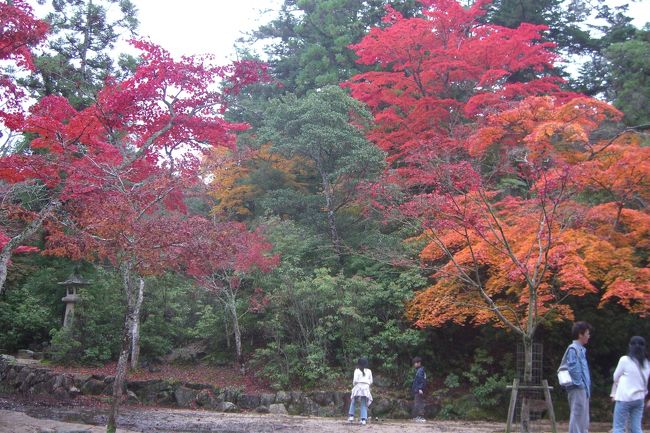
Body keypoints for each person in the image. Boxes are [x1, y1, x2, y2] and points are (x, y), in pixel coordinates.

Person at [610, 336, 650, 433]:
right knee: (636, 428)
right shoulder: (647, 363)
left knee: (619, 427)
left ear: (630, 346)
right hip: (639, 398)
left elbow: (615, 377)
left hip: (624, 398)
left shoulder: (624, 360)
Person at [563, 321, 592, 433]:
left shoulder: (580, 349)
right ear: (581, 334)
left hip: (583, 388)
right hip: (578, 388)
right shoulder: (573, 349)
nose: (589, 336)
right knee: (577, 415)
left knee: (583, 418)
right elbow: (573, 368)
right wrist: (579, 384)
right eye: (587, 333)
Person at [348, 357, 373, 425]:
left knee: (353, 401)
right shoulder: (369, 371)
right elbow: (371, 381)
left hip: (358, 386)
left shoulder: (356, 370)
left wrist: (354, 385)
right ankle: (363, 419)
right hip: (366, 388)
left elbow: (355, 380)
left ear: (359, 363)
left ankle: (351, 417)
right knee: (364, 403)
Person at [411, 356, 427, 423]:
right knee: (417, 402)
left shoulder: (420, 371)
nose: (414, 365)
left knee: (419, 403)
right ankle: (418, 416)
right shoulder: (419, 370)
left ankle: (421, 417)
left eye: (415, 363)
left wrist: (420, 388)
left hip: (419, 390)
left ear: (419, 363)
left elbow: (421, 380)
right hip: (417, 389)